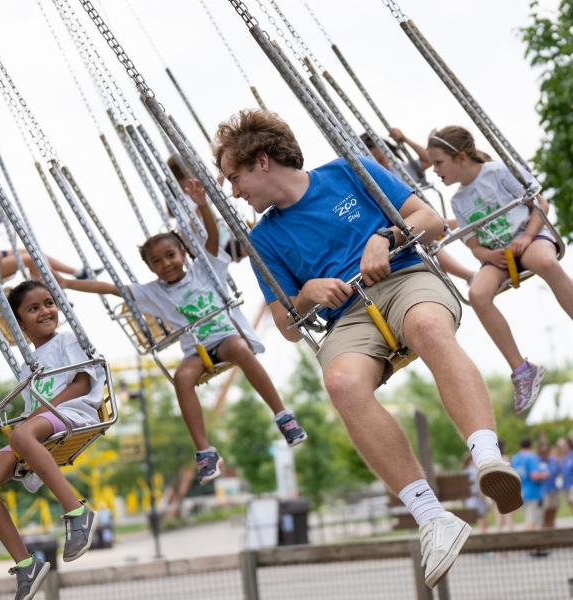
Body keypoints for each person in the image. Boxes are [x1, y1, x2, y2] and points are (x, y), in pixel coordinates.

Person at [214, 109, 522, 588]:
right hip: (348, 317)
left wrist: (385, 237)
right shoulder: (262, 239)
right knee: (340, 383)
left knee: (427, 327)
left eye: (234, 177)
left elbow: (429, 220)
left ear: (262, 162)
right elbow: (287, 325)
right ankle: (432, 518)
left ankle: (486, 455)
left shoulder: (348, 172)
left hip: (404, 279)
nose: (234, 191)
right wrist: (307, 293)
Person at [59, 183, 307, 486]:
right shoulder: (152, 292)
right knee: (182, 378)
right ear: (150, 267)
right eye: (157, 261)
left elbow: (212, 237)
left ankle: (282, 414)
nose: (166, 264)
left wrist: (202, 204)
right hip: (196, 351)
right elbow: (111, 288)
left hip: (225, 339)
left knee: (241, 350)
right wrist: (69, 284)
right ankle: (205, 450)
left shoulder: (206, 269)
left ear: (183, 253)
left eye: (170, 255)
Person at [428, 125, 573, 414]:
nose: (434, 170)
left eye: (438, 163)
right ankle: (522, 369)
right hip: (498, 255)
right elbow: (473, 245)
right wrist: (488, 255)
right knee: (478, 294)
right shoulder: (458, 201)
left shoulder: (498, 172)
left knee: (544, 262)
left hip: (528, 236)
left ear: (460, 158)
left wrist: (527, 237)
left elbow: (539, 204)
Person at [0, 280, 103, 599]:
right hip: (40, 426)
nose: (45, 311)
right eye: (33, 308)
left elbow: (83, 383)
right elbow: (30, 410)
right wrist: (28, 424)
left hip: (74, 413)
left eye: (48, 303)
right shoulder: (25, 366)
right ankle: (26, 564)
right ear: (19, 323)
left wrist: (37, 418)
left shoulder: (67, 342)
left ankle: (77, 512)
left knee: (22, 432)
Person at [360, 130, 475, 285]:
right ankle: (468, 276)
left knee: (454, 223)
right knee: (425, 244)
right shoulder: (372, 185)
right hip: (410, 228)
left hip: (428, 220)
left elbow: (428, 160)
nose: (384, 163)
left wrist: (405, 139)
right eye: (378, 161)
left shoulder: (399, 170)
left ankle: (477, 235)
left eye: (384, 158)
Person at [511, 438, 549, 530]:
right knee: (532, 522)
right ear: (531, 445)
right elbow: (534, 476)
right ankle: (530, 543)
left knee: (527, 519)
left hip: (520, 493)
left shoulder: (515, 458)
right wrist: (546, 474)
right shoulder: (531, 457)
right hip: (533, 493)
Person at [538, 441, 561, 528]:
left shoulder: (553, 460)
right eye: (543, 450)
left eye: (547, 450)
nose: (545, 451)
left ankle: (551, 526)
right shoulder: (537, 460)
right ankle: (544, 528)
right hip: (543, 490)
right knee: (545, 510)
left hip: (554, 488)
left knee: (554, 508)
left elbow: (558, 472)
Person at [558, 437, 573, 511]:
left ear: (568, 444)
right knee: (570, 504)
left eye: (563, 445)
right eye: (560, 446)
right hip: (566, 486)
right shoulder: (562, 458)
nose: (561, 447)